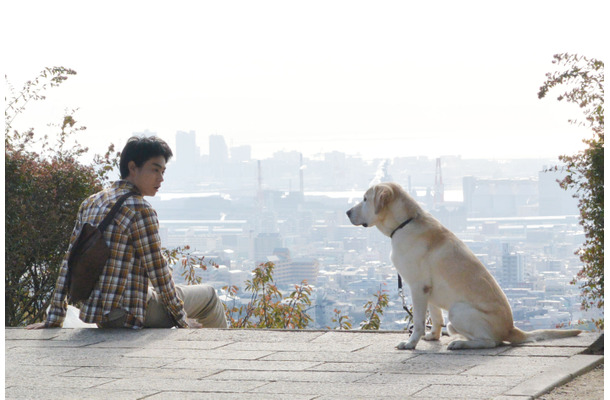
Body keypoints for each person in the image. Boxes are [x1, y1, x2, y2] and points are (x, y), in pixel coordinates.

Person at [27, 136, 227, 330]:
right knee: (209, 296)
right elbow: (158, 271)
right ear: (132, 167)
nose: (161, 179)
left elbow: (69, 260)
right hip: (128, 315)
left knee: (158, 293)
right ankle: (219, 357)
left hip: (97, 313)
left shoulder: (91, 202)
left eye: (163, 171)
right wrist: (182, 320)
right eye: (155, 170)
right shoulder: (139, 209)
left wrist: (54, 318)